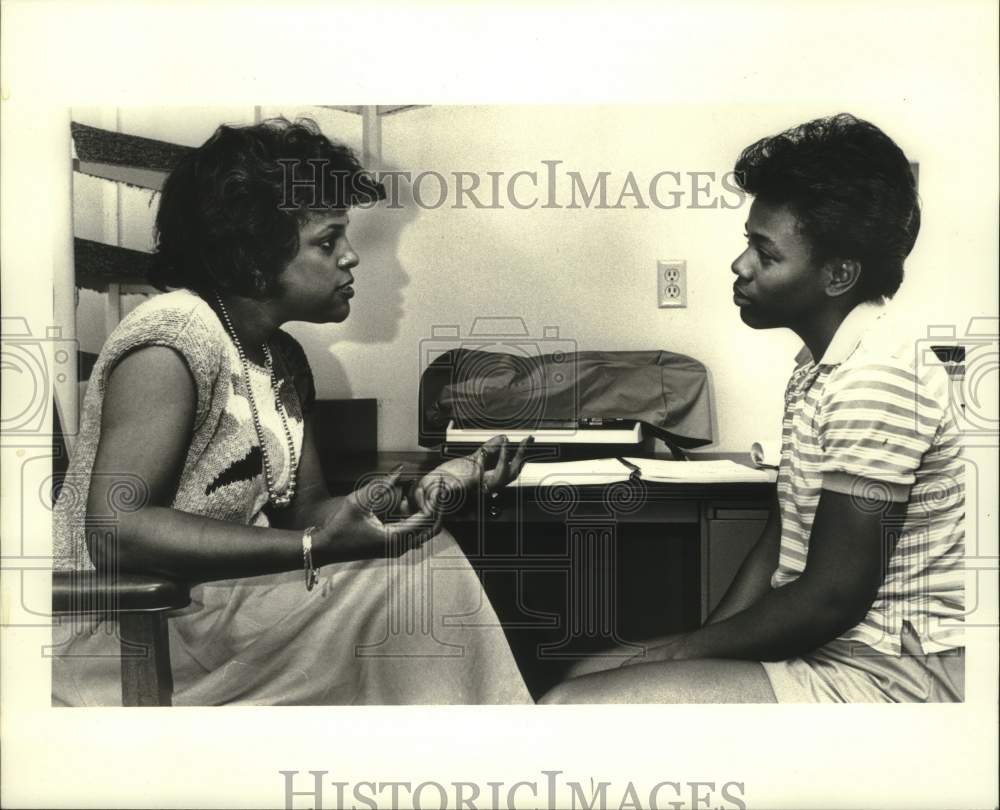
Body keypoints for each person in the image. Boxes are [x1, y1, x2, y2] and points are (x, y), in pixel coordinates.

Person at [52, 117, 533, 705]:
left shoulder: (283, 359)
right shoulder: (171, 338)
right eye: (328, 241)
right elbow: (114, 531)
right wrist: (316, 549)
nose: (351, 257)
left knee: (421, 554)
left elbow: (307, 514)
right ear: (255, 259)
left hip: (213, 610)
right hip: (131, 628)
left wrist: (424, 493)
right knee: (411, 576)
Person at [540, 113, 965, 704]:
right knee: (585, 674)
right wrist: (697, 642)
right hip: (830, 647)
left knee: (570, 706)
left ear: (839, 274)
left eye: (765, 253)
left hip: (886, 674)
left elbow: (831, 598)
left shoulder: (879, 374)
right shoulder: (822, 365)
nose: (741, 266)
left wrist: (677, 653)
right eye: (748, 242)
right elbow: (782, 533)